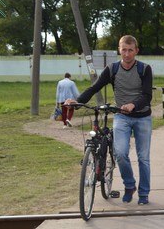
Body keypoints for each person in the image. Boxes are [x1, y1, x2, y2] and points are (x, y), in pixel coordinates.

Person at [65, 35, 154, 205]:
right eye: (124, 50)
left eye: (130, 50)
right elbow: (94, 87)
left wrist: (133, 104)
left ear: (136, 51)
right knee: (120, 153)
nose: (127, 54)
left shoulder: (144, 69)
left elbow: (147, 96)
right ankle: (129, 186)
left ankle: (144, 193)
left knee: (143, 158)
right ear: (119, 50)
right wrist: (77, 102)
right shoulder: (112, 69)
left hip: (142, 117)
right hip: (121, 116)